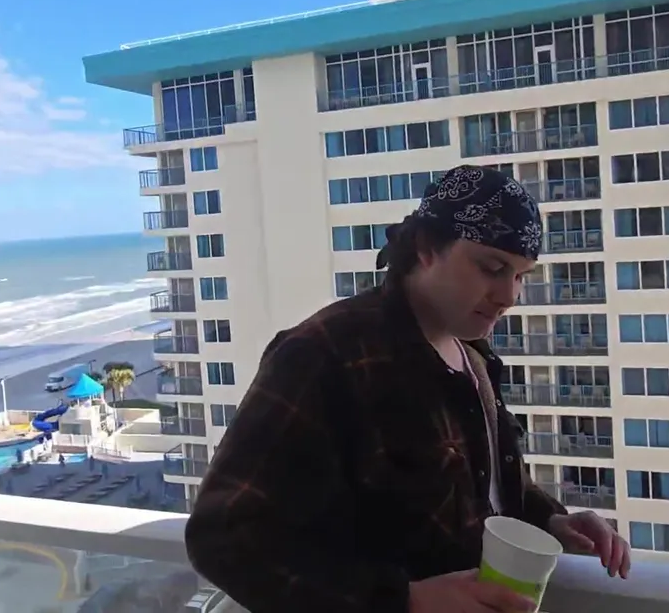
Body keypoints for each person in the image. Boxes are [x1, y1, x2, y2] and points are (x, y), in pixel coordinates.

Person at [185, 165, 630, 613]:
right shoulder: (325, 354)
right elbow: (223, 536)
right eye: (492, 268)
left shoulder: (471, 354)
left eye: (520, 275)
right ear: (426, 247)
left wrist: (550, 520)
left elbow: (477, 493)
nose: (509, 295)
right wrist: (405, 600)